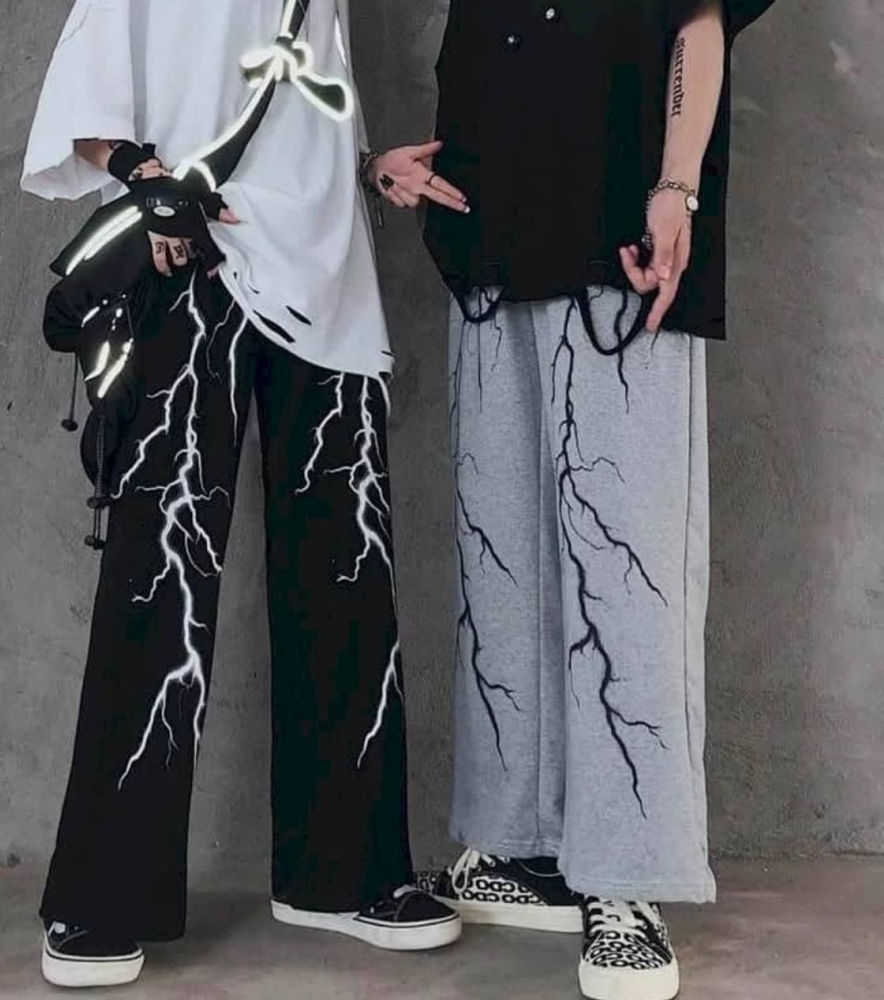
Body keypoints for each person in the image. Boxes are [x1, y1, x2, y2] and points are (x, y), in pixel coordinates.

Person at [21, 0, 470, 988]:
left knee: (347, 572)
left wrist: (365, 166)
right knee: (159, 579)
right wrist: (143, 180)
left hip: (327, 275)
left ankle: (342, 874)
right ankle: (101, 896)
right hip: (195, 260)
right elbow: (82, 101)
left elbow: (299, 102)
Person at [368, 2, 777, 999]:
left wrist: (676, 187)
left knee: (626, 570)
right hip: (486, 241)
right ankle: (517, 845)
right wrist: (392, 168)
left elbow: (700, 22)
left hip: (619, 242)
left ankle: (626, 882)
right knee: (501, 559)